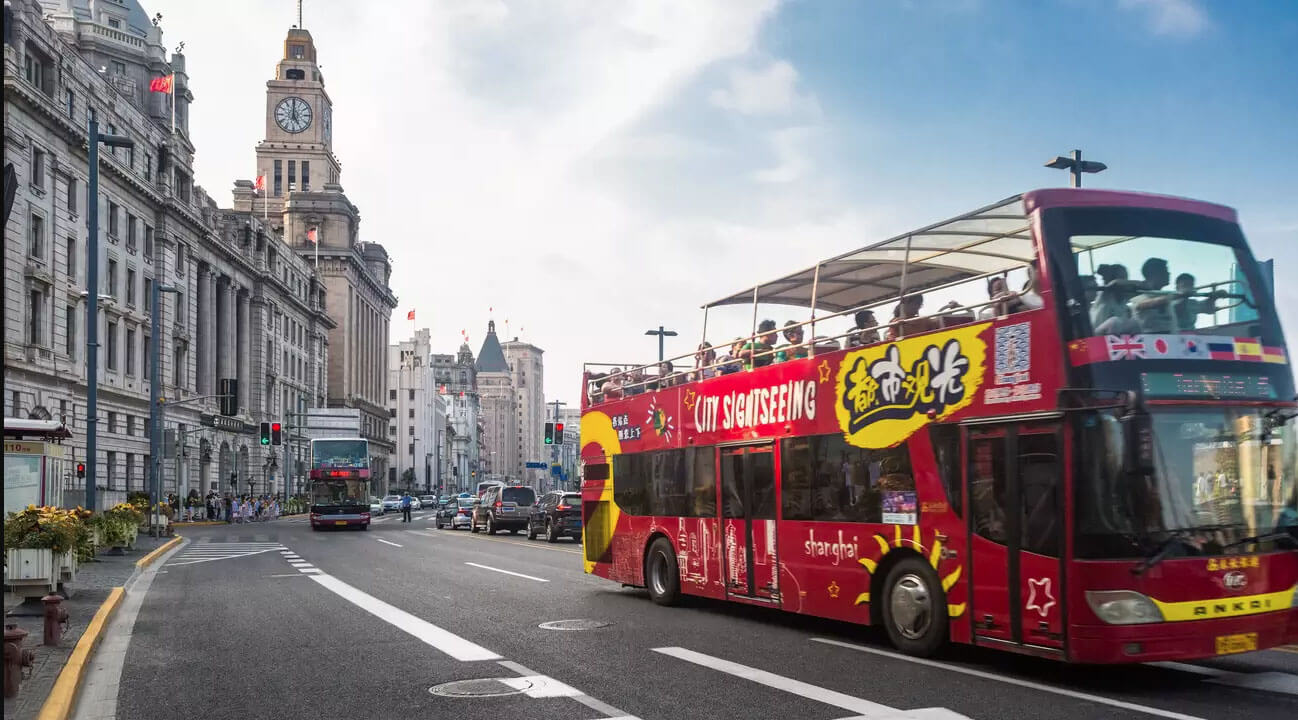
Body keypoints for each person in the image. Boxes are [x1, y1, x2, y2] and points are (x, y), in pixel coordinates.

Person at [1131, 257, 1176, 333]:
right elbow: (1145, 304)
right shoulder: (1138, 294)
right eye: (1165, 270)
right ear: (1154, 273)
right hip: (1148, 342)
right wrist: (1179, 295)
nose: (1169, 273)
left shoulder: (1166, 296)